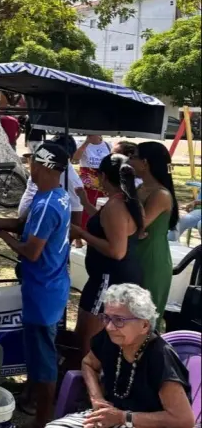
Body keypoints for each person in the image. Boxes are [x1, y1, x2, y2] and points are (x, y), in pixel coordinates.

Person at [0, 142, 72, 428]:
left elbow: (31, 250)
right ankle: (35, 402)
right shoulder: (56, 196)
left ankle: (44, 420)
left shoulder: (46, 205)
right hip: (51, 286)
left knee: (44, 364)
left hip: (42, 292)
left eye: (32, 162)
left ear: (43, 166)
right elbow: (21, 224)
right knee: (40, 356)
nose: (29, 166)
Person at [46, 283, 194, 428]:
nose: (110, 327)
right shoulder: (110, 338)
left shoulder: (160, 357)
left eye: (119, 320)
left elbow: (183, 420)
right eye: (107, 318)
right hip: (109, 417)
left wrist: (124, 417)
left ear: (144, 325)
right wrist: (96, 398)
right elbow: (88, 363)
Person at [70, 154, 143, 359]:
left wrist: (82, 233)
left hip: (109, 278)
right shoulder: (125, 201)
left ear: (103, 176)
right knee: (89, 333)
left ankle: (86, 382)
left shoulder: (115, 206)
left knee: (88, 337)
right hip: (110, 277)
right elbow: (107, 226)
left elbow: (117, 251)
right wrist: (85, 202)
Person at [130, 142, 178, 319]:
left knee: (146, 316)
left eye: (133, 156)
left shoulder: (160, 194)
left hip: (151, 259)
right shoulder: (140, 188)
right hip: (134, 255)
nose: (129, 161)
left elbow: (139, 223)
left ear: (145, 163)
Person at [73, 135, 112, 228]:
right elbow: (75, 159)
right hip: (88, 180)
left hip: (103, 178)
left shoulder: (107, 145)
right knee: (86, 206)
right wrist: (86, 143)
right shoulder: (82, 144)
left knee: (104, 205)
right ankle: (82, 232)